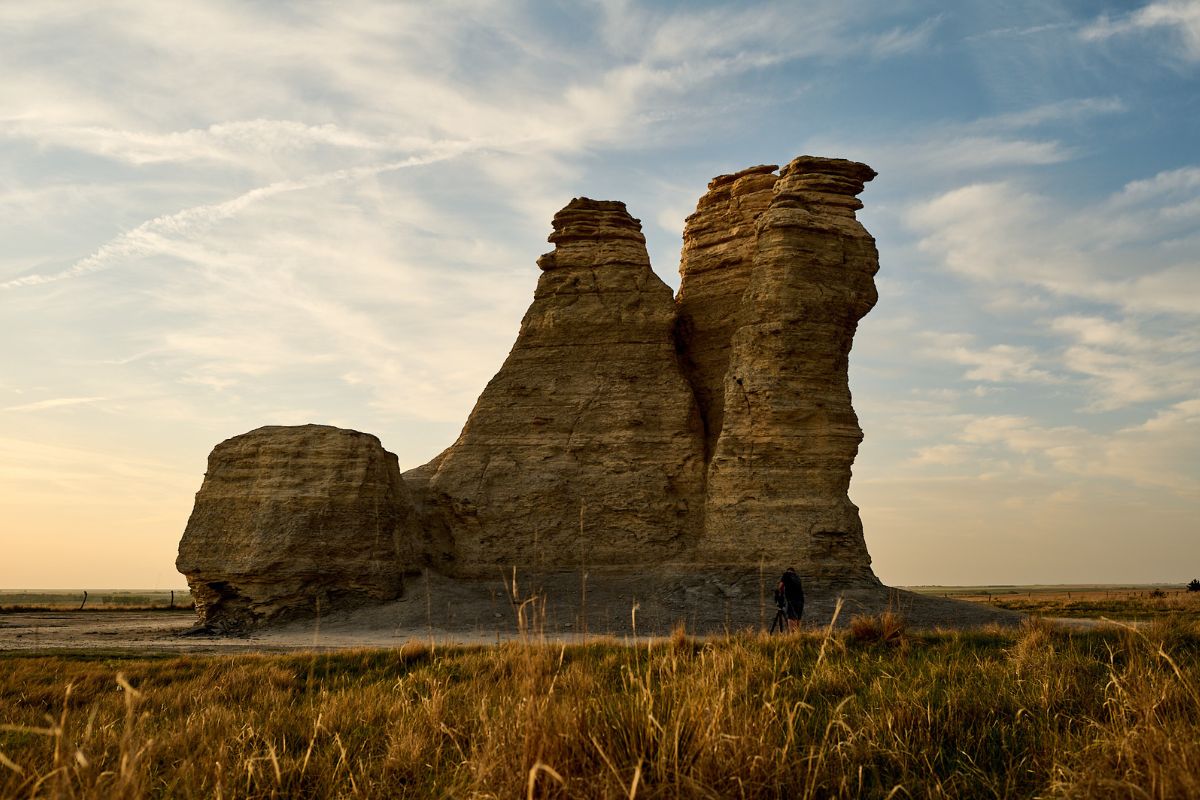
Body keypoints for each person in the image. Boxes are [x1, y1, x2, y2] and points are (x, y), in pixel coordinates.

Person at [775, 567, 804, 632]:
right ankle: (797, 635)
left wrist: (779, 595)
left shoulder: (786, 574)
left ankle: (792, 637)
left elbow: (780, 586)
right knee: (797, 619)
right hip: (801, 601)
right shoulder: (798, 578)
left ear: (788, 571)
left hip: (791, 600)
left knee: (791, 617)